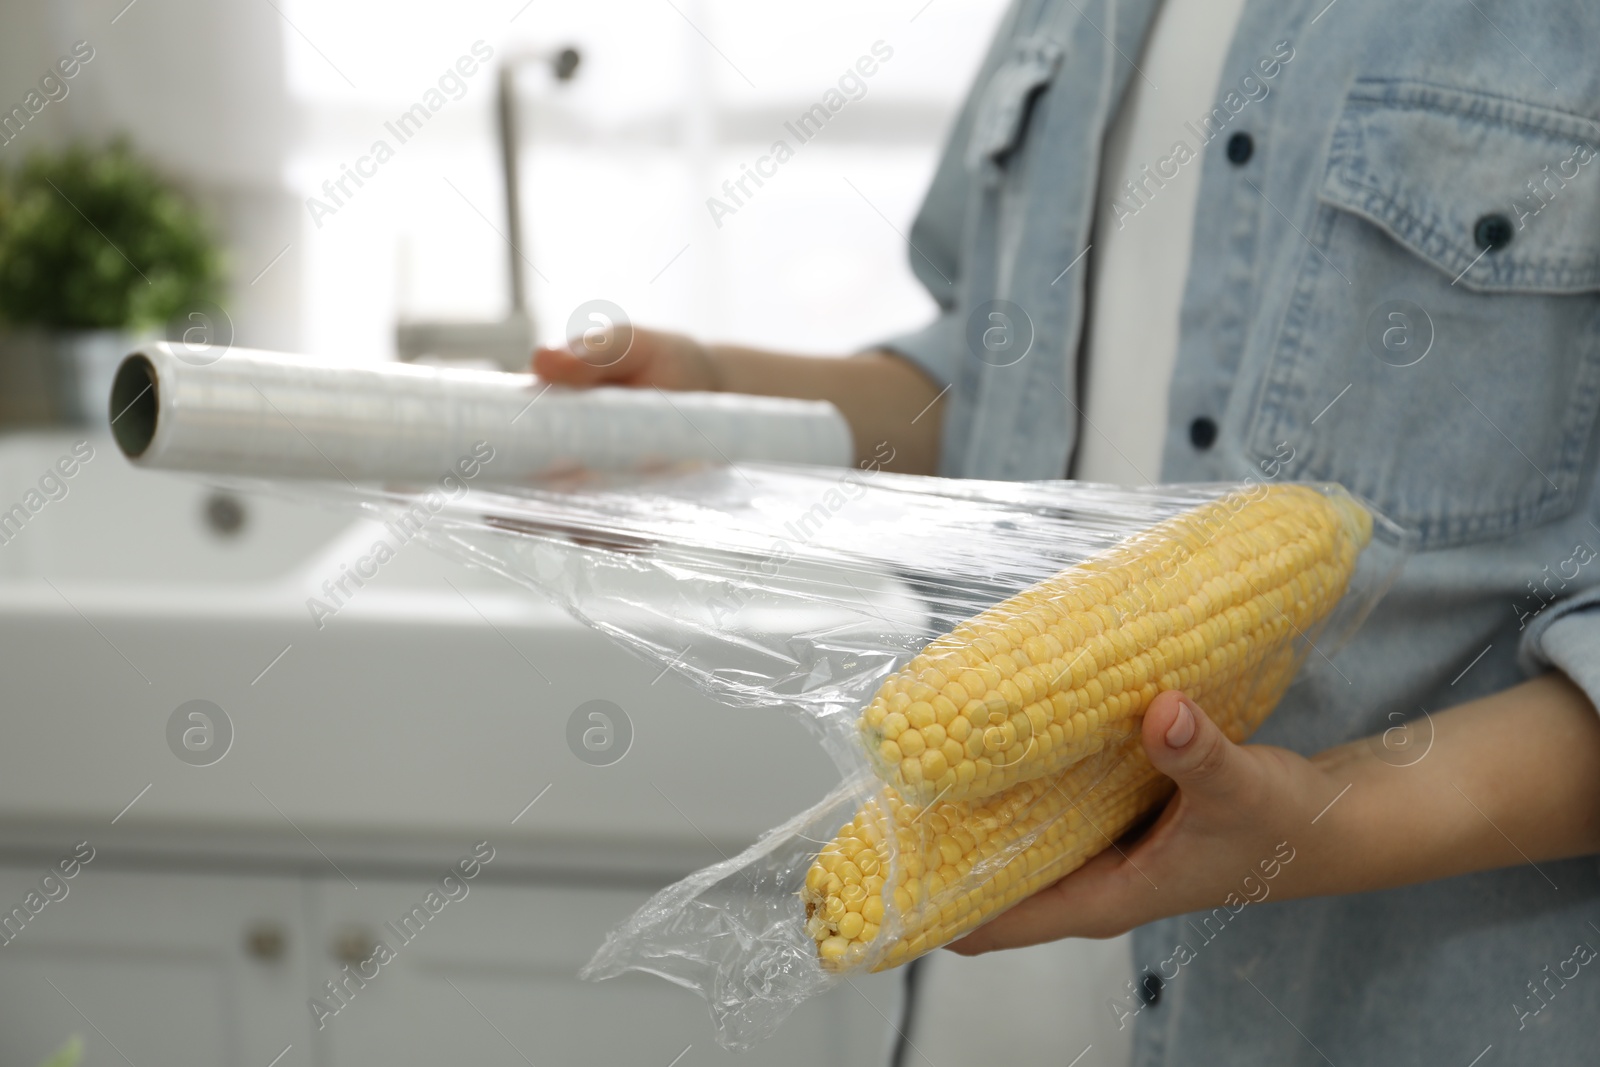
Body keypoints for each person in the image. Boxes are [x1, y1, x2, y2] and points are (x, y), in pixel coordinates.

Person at [535, 0, 1600, 1061]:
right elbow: (1005, 386)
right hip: (987, 1003)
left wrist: (1321, 818)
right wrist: (723, 407)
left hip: (1360, 1007)